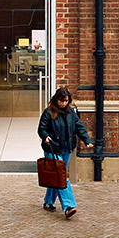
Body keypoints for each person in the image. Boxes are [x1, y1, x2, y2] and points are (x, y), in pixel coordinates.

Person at [37, 86, 92, 218]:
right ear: (56, 100)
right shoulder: (48, 112)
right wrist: (46, 136)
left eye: (66, 101)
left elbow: (79, 127)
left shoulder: (71, 113)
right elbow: (41, 129)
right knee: (61, 176)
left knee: (56, 176)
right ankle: (68, 206)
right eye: (61, 101)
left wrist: (87, 140)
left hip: (67, 148)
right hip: (53, 148)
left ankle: (48, 202)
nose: (63, 103)